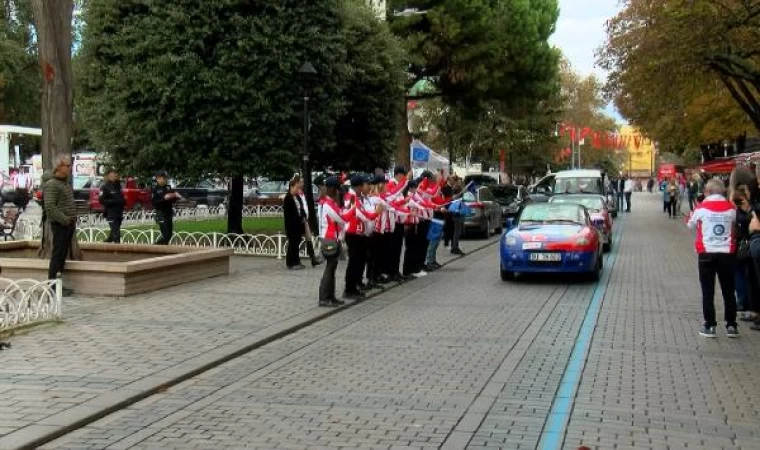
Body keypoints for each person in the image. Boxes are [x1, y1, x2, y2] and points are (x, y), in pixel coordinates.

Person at [687, 178, 739, 338]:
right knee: (729, 290)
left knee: (708, 290)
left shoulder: (701, 208)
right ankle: (731, 325)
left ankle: (710, 325)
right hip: (727, 253)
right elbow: (735, 224)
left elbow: (690, 224)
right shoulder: (731, 208)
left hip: (706, 253)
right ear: (723, 191)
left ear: (707, 192)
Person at [318, 177, 352, 307]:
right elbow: (341, 218)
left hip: (334, 238)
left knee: (332, 268)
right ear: (332, 189)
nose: (339, 193)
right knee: (329, 268)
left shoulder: (331, 202)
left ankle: (330, 296)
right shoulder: (327, 204)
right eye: (337, 189)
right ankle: (324, 297)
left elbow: (341, 214)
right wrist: (353, 210)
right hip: (329, 239)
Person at [44, 156, 76, 288]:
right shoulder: (52, 184)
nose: (70, 168)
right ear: (59, 167)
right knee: (58, 254)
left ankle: (58, 283)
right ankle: (52, 284)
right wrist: (64, 219)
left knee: (62, 254)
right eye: (67, 166)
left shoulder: (65, 183)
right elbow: (50, 207)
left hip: (68, 224)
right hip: (60, 224)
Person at [294, 175, 321, 267]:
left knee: (308, 238)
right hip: (300, 218)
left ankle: (313, 258)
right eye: (301, 182)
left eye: (303, 182)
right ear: (297, 183)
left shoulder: (301, 192)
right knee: (297, 239)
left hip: (304, 218)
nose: (303, 183)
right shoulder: (295, 193)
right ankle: (296, 259)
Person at [283, 177, 306, 269]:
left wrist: (303, 216)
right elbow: (289, 215)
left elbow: (301, 208)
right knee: (292, 244)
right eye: (296, 187)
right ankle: (291, 263)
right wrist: (298, 219)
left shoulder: (297, 197)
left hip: (299, 225)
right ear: (291, 187)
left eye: (298, 188)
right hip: (292, 226)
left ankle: (297, 261)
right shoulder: (287, 198)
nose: (298, 189)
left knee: (297, 243)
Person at [152, 171, 179, 245]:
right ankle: (155, 246)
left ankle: (162, 249)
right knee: (166, 235)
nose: (165, 179)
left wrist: (175, 196)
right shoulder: (155, 189)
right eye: (163, 178)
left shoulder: (168, 187)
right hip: (161, 214)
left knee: (169, 235)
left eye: (166, 178)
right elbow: (155, 203)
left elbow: (172, 200)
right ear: (158, 179)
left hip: (168, 213)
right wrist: (164, 199)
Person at [100, 168, 125, 243]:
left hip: (119, 212)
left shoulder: (118, 186)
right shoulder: (104, 187)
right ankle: (118, 251)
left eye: (115, 175)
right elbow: (101, 200)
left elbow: (121, 197)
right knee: (116, 233)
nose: (114, 176)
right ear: (108, 176)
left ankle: (105, 244)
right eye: (112, 175)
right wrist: (113, 201)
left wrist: (123, 201)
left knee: (113, 233)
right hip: (110, 213)